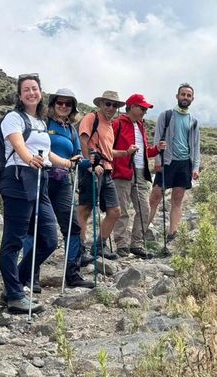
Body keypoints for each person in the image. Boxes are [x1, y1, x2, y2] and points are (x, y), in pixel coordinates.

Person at [0, 74, 79, 313]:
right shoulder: (13, 118)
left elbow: (46, 153)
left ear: (40, 92)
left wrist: (66, 163)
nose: (31, 93)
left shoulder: (41, 122)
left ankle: (15, 285)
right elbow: (19, 146)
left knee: (50, 239)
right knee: (13, 240)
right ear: (20, 94)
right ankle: (14, 294)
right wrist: (29, 159)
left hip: (40, 180)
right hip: (18, 179)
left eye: (35, 88)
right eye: (26, 89)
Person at [25, 88, 94, 289]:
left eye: (68, 104)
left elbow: (77, 158)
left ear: (73, 107)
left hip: (63, 182)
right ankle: (31, 275)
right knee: (35, 227)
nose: (63, 107)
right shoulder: (43, 124)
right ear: (53, 104)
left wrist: (90, 163)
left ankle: (72, 274)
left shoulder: (71, 130)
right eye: (59, 103)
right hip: (41, 177)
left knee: (73, 227)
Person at [78, 90, 136, 260]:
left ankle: (98, 246)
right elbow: (83, 140)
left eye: (114, 105)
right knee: (85, 209)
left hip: (107, 170)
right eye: (107, 104)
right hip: (92, 169)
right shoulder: (91, 118)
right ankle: (79, 250)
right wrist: (89, 164)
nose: (111, 108)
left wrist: (126, 152)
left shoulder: (110, 125)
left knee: (115, 211)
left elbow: (108, 151)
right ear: (101, 104)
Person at [112, 94, 166, 258]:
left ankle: (137, 244)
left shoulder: (140, 125)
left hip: (141, 172)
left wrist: (156, 149)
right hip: (122, 171)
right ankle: (121, 244)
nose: (144, 111)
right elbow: (108, 148)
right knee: (122, 209)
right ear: (131, 107)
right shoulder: (118, 124)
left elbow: (143, 151)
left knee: (144, 208)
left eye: (145, 109)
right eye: (141, 108)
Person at [148, 83, 200, 242]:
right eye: (183, 94)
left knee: (177, 198)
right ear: (177, 96)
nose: (185, 97)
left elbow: (196, 145)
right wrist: (157, 160)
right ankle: (143, 229)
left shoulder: (193, 121)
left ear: (192, 99)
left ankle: (173, 233)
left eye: (188, 95)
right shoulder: (166, 115)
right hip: (166, 162)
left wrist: (196, 166)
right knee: (155, 197)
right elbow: (157, 138)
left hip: (185, 164)